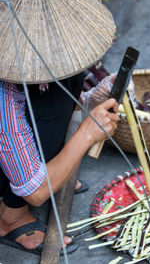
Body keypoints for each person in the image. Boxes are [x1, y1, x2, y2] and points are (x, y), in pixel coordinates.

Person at [0, 73, 118, 255]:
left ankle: (52, 172)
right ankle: (11, 217)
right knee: (50, 105)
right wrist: (87, 134)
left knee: (67, 79)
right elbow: (36, 192)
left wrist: (93, 99)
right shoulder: (4, 93)